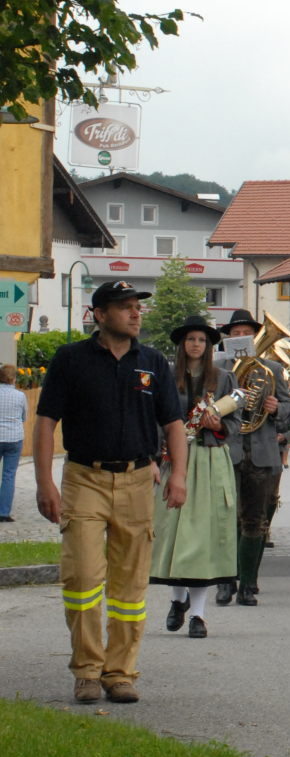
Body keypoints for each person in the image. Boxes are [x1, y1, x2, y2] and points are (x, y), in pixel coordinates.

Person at [35, 280, 186, 704]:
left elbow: (173, 424)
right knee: (83, 576)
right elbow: (45, 422)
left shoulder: (152, 362)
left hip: (137, 480)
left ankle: (120, 673)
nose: (136, 313)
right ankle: (86, 670)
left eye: (137, 306)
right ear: (99, 315)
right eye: (125, 307)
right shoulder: (70, 359)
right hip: (85, 477)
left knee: (130, 585)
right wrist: (45, 482)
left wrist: (178, 476)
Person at [152, 315, 240, 640]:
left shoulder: (224, 378)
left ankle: (199, 615)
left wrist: (219, 425)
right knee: (172, 531)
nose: (196, 344)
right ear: (182, 344)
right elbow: (155, 417)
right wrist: (155, 455)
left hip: (209, 458)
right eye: (191, 339)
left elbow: (237, 422)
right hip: (173, 458)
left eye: (202, 340)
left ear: (209, 346)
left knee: (202, 536)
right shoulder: (165, 376)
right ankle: (178, 600)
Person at [217, 308, 290, 607]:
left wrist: (277, 408)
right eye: (235, 334)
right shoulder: (217, 369)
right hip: (227, 450)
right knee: (226, 519)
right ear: (228, 339)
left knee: (255, 520)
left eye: (246, 334)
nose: (241, 338)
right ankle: (225, 581)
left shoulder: (272, 369)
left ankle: (248, 583)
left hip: (261, 452)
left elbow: (288, 413)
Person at [0, 364, 27, 521]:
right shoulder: (20, 396)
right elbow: (24, 417)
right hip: (14, 438)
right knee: (9, 475)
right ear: (14, 378)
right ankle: (3, 512)